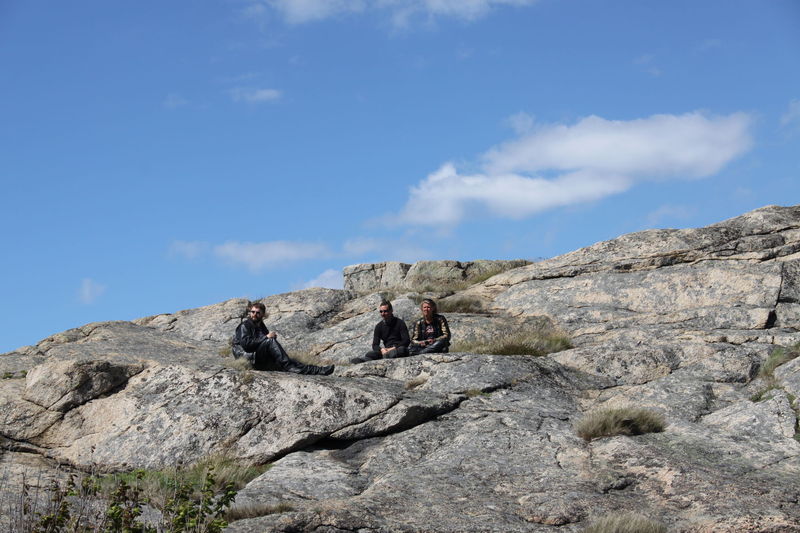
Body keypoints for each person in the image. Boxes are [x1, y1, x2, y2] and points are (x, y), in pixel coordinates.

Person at [233, 302, 334, 375]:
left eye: (257, 313)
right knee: (271, 342)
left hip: (260, 357)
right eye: (253, 312)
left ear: (262, 314)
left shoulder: (261, 325)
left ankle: (319, 370)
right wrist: (266, 337)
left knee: (293, 361)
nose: (254, 314)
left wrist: (267, 339)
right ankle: (289, 367)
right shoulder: (245, 325)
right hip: (249, 359)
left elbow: (261, 344)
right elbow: (246, 345)